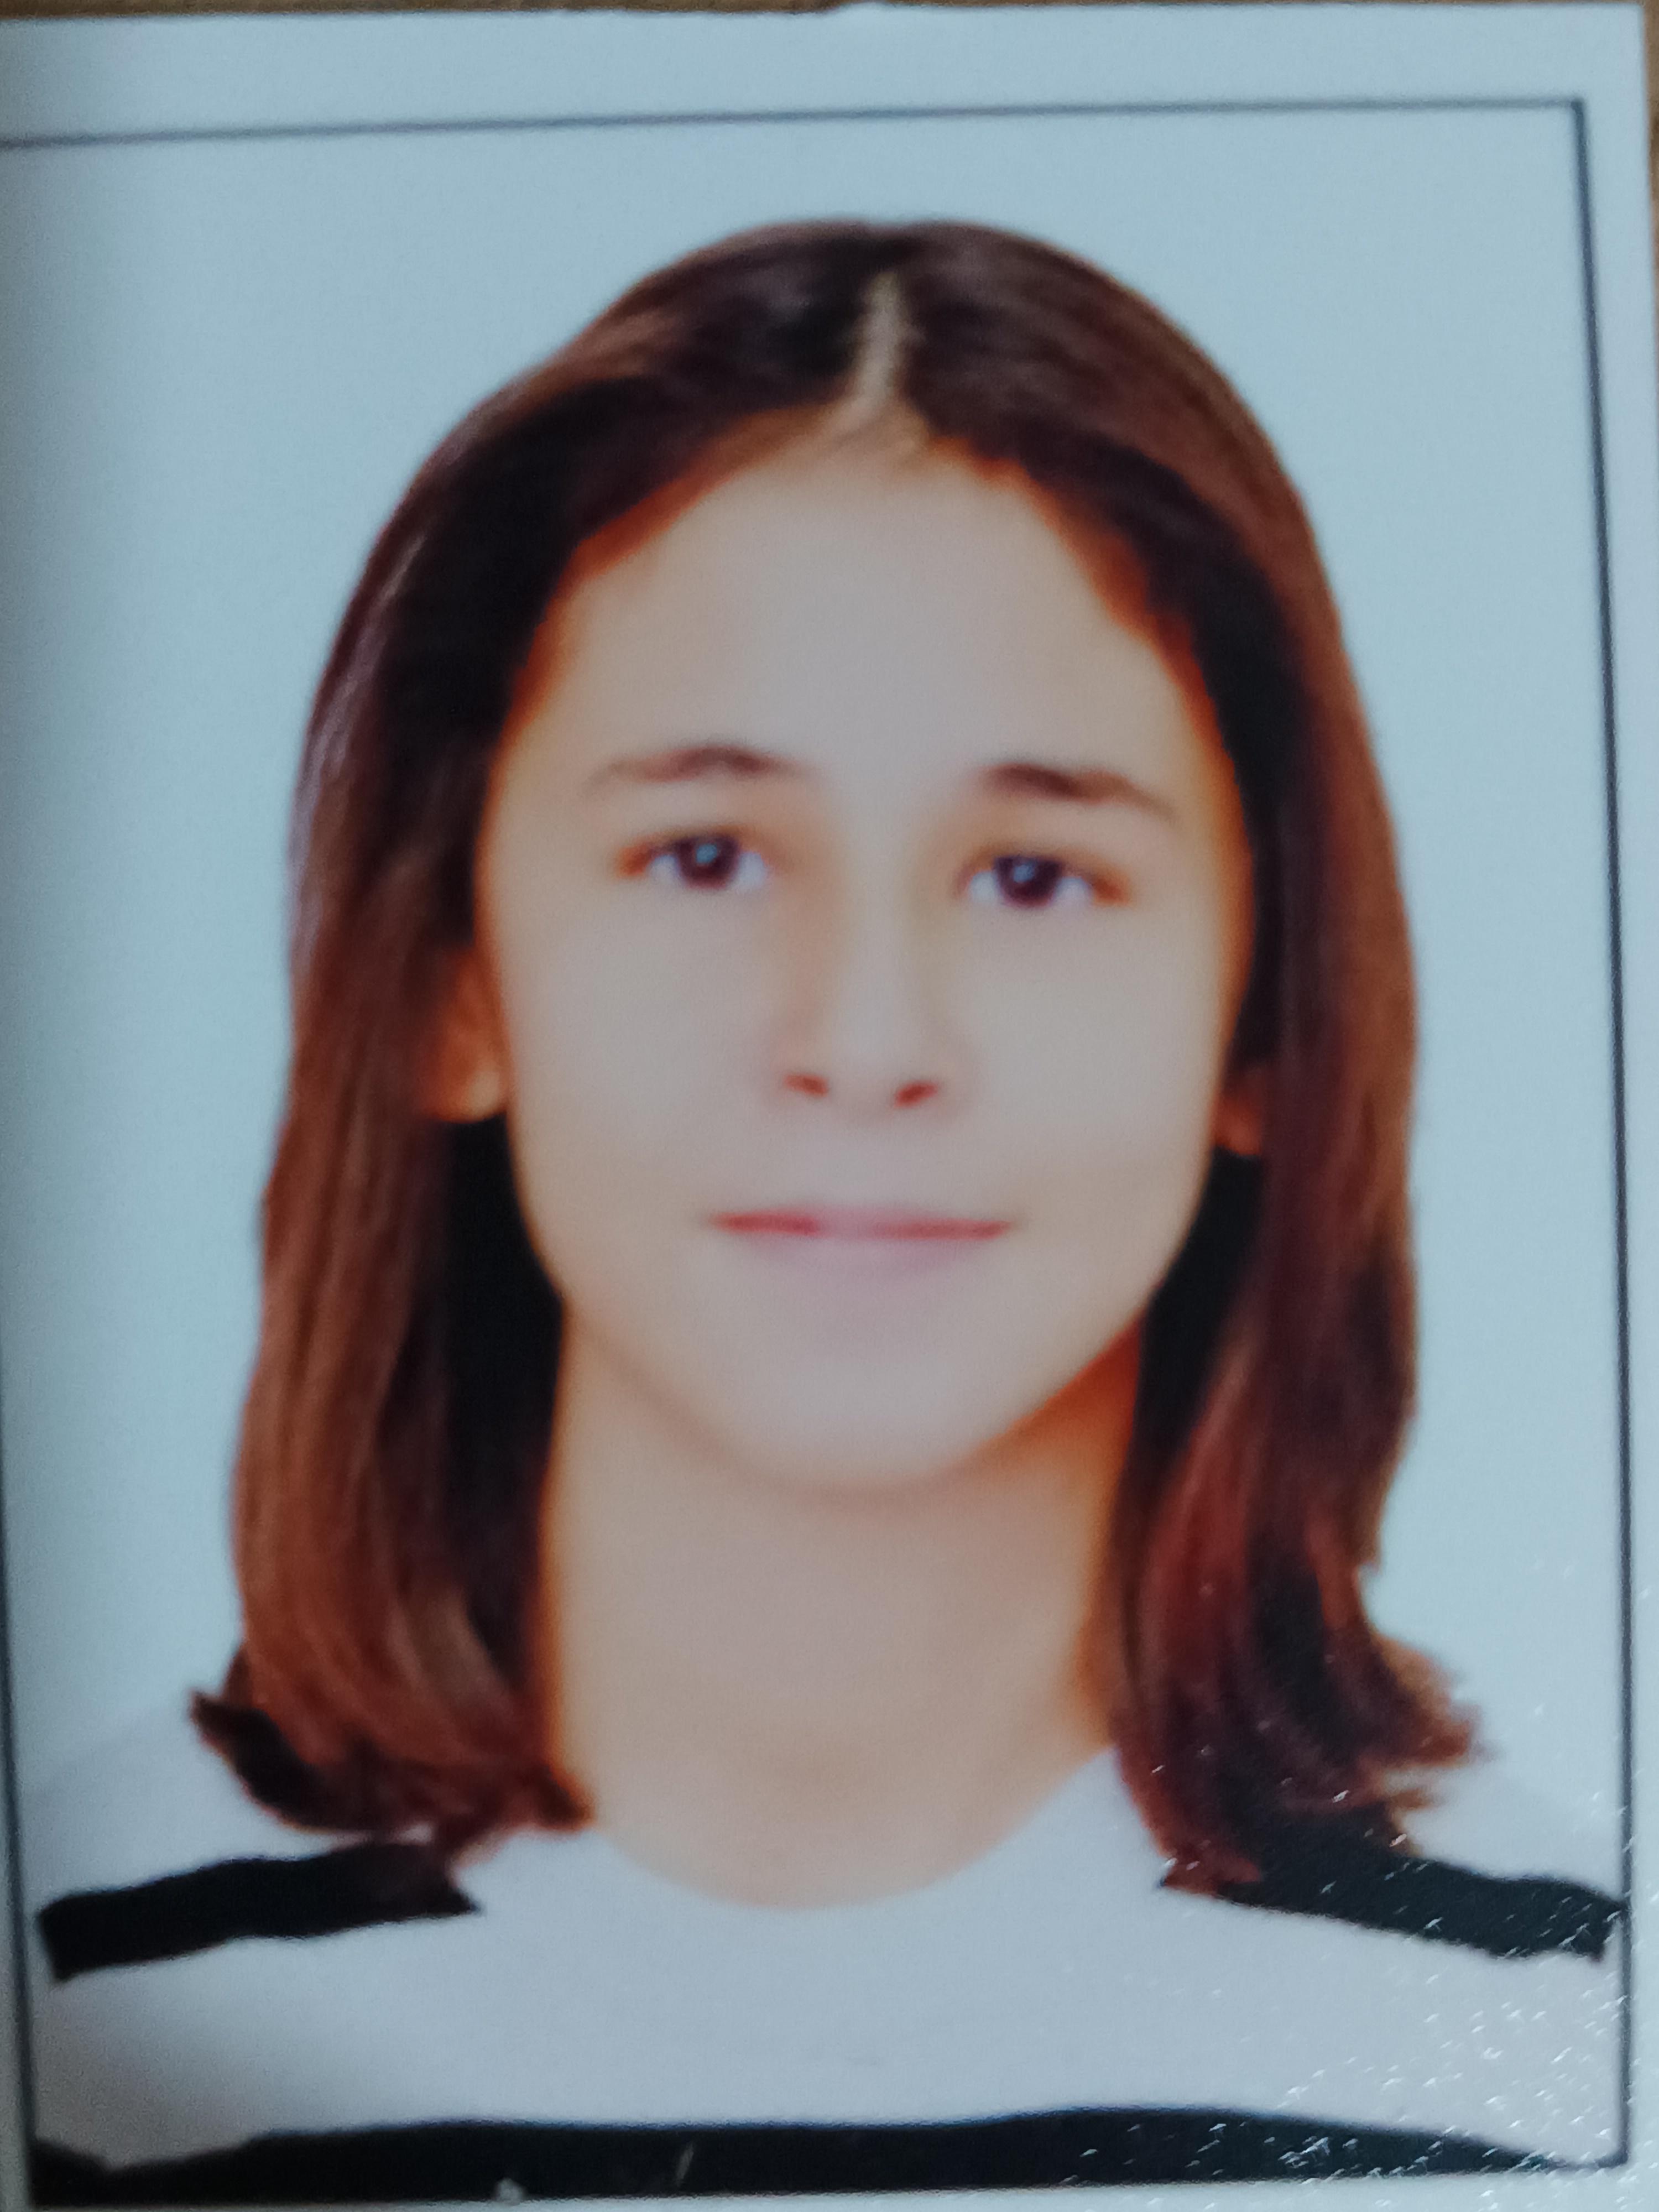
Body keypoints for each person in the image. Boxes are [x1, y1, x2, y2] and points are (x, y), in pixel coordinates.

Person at [24, 221, 1621, 2204]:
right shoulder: (69, 2003)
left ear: (1263, 1020)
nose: (866, 1042)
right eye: (705, 855)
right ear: (454, 981)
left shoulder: (1574, 2036)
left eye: (1033, 877)